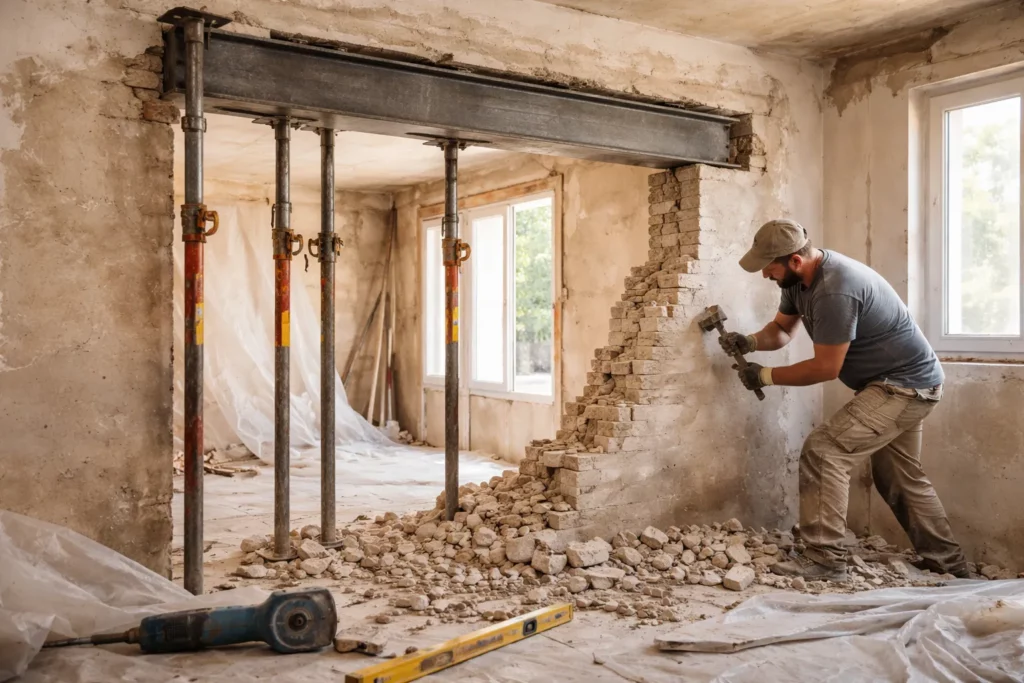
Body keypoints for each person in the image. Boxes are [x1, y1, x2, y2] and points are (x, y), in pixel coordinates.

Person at [722, 218, 969, 580]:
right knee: (898, 477)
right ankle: (950, 567)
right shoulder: (797, 280)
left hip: (904, 386)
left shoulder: (836, 289)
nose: (765, 275)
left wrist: (764, 376)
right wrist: (751, 342)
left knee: (824, 451)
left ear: (795, 260)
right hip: (900, 383)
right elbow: (782, 330)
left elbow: (826, 367)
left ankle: (825, 560)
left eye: (769, 267)